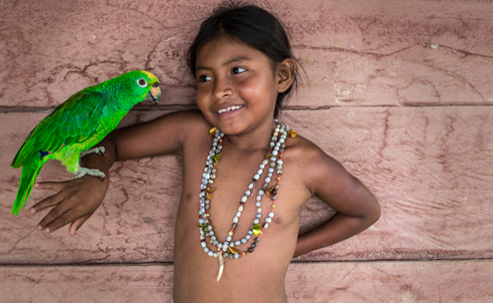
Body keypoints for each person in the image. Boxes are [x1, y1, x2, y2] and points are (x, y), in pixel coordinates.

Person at [28, 3, 380, 302]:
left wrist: (291, 248)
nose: (220, 90)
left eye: (237, 71)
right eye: (205, 78)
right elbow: (111, 144)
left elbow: (364, 212)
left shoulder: (305, 163)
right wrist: (96, 178)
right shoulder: (193, 134)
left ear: (283, 75)